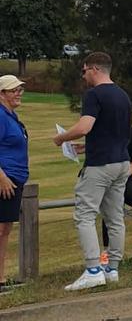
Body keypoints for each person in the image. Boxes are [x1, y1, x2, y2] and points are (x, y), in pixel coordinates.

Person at [53, 51, 132, 291]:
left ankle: (93, 269)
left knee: (84, 215)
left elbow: (85, 126)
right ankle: (113, 268)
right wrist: (85, 146)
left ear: (95, 69)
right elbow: (114, 132)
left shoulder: (94, 94)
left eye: (84, 70)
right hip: (122, 162)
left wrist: (62, 138)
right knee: (114, 216)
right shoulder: (123, 95)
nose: (84, 75)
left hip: (100, 165)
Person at [99, 127, 132, 266]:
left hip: (126, 177)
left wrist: (125, 174)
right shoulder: (101, 130)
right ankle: (107, 253)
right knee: (109, 211)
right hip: (105, 177)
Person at [0, 76, 28, 293]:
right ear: (2, 94)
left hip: (15, 178)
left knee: (5, 229)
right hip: (5, 180)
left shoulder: (11, 115)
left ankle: (1, 279)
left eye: (20, 89)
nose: (18, 93)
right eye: (13, 90)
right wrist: (2, 177)